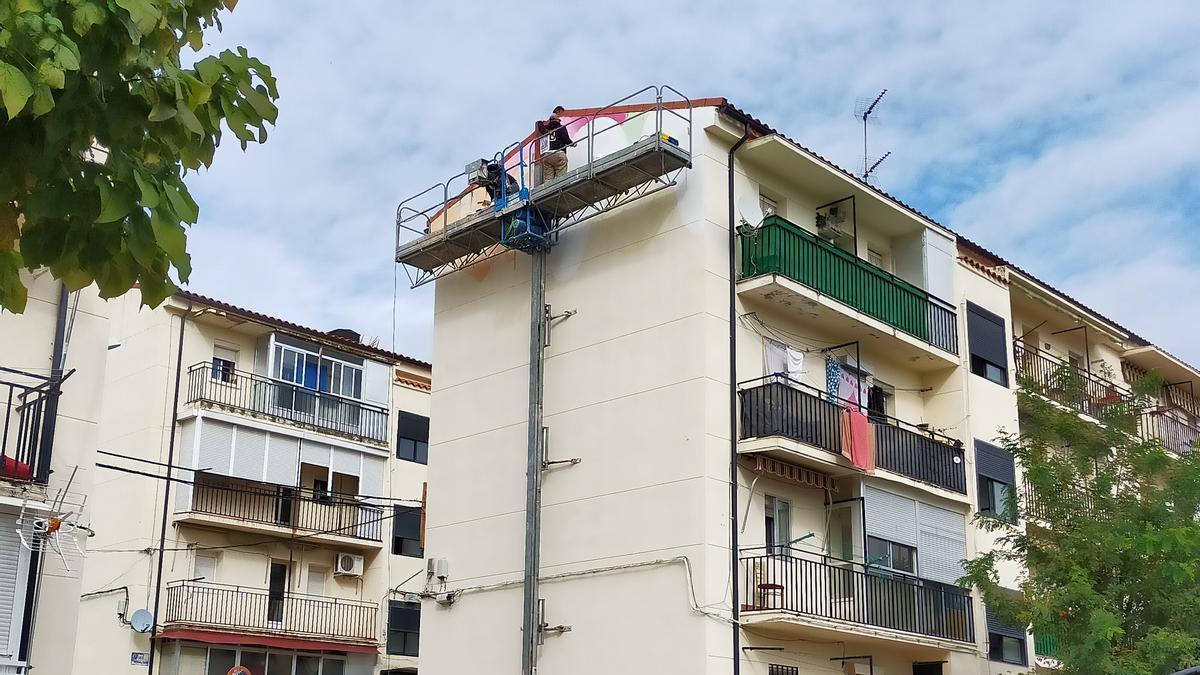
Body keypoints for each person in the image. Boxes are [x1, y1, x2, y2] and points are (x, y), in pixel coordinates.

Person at [536, 106, 574, 183]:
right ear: (558, 120)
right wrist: (573, 144)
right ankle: (559, 190)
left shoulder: (547, 129)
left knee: (548, 179)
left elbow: (541, 128)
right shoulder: (561, 127)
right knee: (560, 176)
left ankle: (547, 190)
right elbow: (566, 139)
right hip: (558, 153)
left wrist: (540, 122)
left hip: (547, 156)